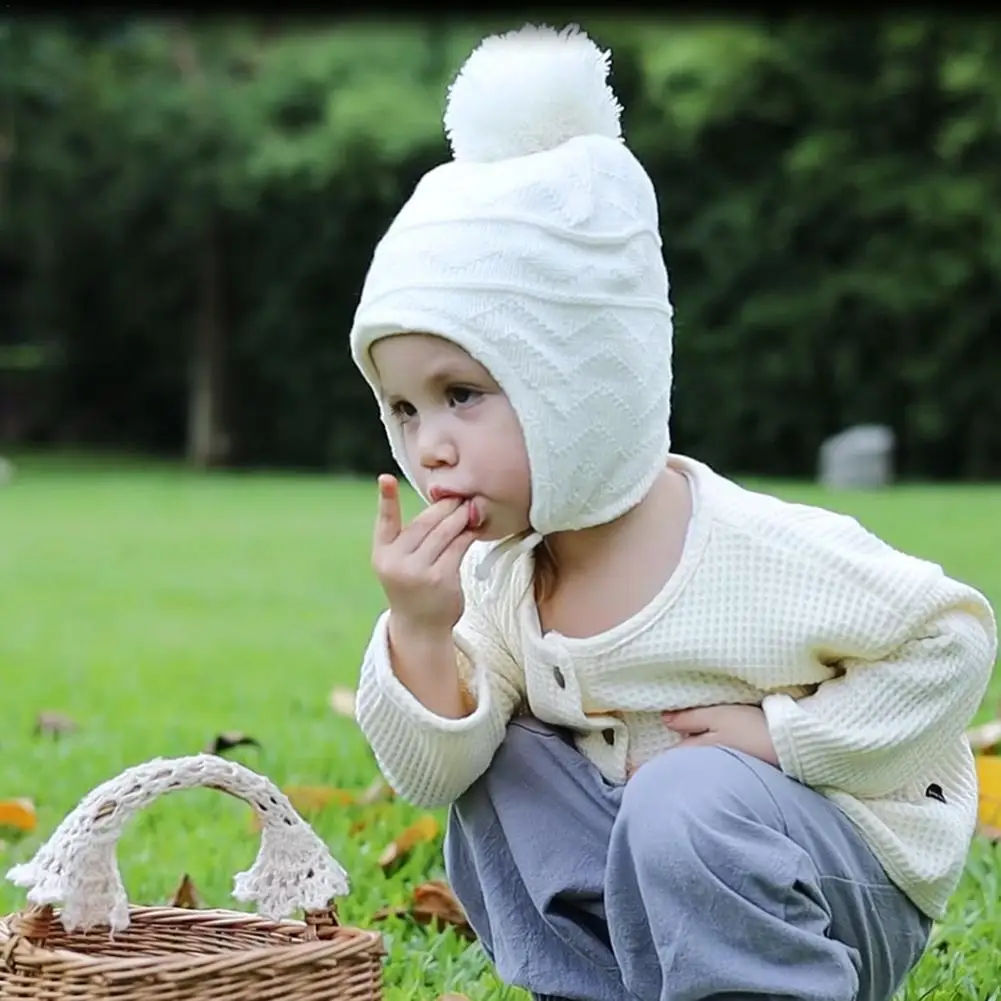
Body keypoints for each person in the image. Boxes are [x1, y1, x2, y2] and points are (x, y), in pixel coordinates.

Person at [347, 23, 998, 1001]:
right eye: (403, 407)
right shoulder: (497, 579)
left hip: (828, 892)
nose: (428, 440)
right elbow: (434, 774)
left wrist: (784, 737)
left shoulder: (753, 551)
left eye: (462, 392)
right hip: (651, 899)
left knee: (682, 793)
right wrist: (419, 627)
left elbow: (949, 639)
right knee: (497, 761)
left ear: (578, 382)